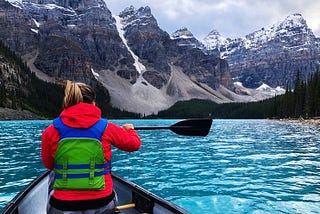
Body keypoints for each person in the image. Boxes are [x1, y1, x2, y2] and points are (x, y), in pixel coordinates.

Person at [41, 80, 141, 214]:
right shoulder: (107, 127)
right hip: (102, 203)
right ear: (93, 102)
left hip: (63, 205)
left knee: (54, 172)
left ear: (68, 101)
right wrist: (130, 130)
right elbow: (134, 145)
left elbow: (48, 164)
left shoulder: (51, 130)